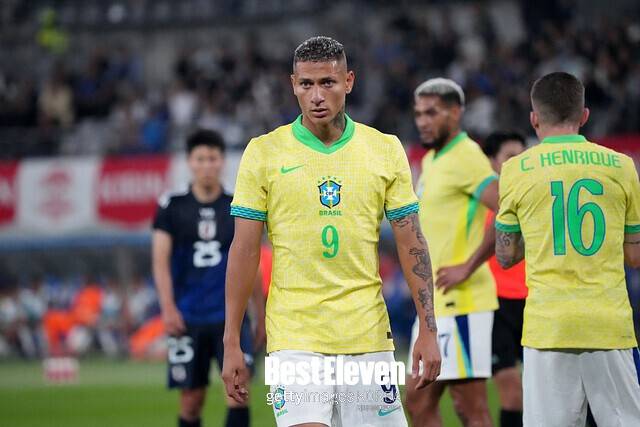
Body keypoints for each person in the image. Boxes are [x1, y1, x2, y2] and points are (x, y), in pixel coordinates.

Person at [222, 36, 441, 427]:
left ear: (349, 81)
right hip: (294, 336)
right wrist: (231, 340)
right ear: (293, 84)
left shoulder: (384, 149)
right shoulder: (264, 152)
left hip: (368, 334)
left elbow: (411, 242)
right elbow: (244, 250)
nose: (317, 95)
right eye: (307, 84)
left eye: (328, 82)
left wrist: (428, 328)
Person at [495, 71, 640, 426]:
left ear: (534, 118)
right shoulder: (622, 166)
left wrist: (541, 234)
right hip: (609, 325)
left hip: (548, 327)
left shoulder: (516, 170)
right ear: (584, 115)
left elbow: (505, 256)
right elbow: (635, 256)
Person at [152, 129, 265, 427]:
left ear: (222, 161)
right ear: (190, 162)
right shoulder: (171, 206)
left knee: (238, 392)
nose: (206, 165)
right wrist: (168, 308)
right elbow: (160, 262)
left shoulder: (238, 204)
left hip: (231, 318)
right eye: (200, 159)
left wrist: (261, 313)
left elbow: (251, 261)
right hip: (188, 317)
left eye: (212, 158)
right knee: (191, 401)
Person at [407, 78, 498, 427]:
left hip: (462, 302)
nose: (422, 121)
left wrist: (468, 266)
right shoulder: (433, 159)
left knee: (470, 407)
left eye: (431, 113)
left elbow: (508, 210)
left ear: (456, 112)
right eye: (418, 114)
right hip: (435, 305)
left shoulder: (466, 156)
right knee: (418, 402)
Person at [482, 131, 527, 427]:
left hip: (534, 302)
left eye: (522, 155)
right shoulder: (481, 200)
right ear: (492, 162)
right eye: (510, 157)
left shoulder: (534, 195)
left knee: (551, 391)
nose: (518, 162)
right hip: (495, 304)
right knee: (511, 394)